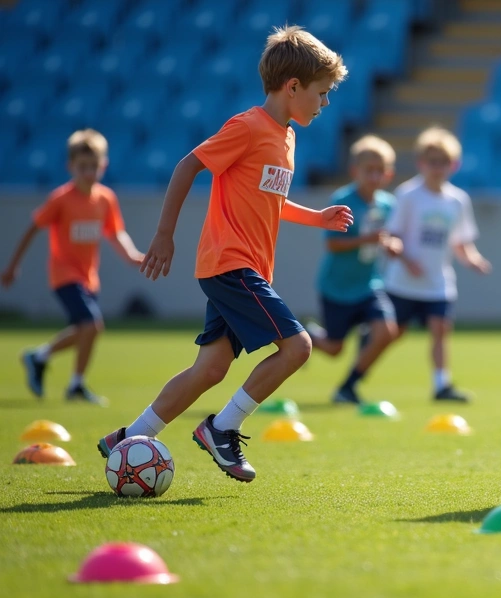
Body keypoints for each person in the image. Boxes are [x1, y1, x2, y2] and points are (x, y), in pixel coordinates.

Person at [96, 26, 352, 483]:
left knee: (211, 368)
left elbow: (271, 200)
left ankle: (128, 438)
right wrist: (163, 235)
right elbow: (187, 165)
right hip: (230, 263)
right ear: (293, 87)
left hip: (246, 268)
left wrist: (319, 217)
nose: (325, 102)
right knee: (298, 345)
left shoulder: (287, 137)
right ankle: (222, 427)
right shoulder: (248, 126)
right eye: (322, 92)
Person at [2, 128, 144, 405]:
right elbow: (33, 228)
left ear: (103, 165)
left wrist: (131, 254)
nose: (89, 172)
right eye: (83, 167)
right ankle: (69, 379)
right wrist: (12, 266)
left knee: (85, 329)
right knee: (92, 325)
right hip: (63, 274)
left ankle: (46, 362)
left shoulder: (105, 199)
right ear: (71, 166)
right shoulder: (61, 199)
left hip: (88, 276)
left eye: (94, 166)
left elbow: (115, 232)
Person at [383, 126, 491, 403]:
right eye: (432, 162)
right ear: (421, 163)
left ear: (453, 165)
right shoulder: (407, 195)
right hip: (403, 281)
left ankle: (441, 385)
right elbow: (392, 234)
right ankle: (356, 372)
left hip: (437, 282)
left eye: (444, 162)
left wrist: (474, 260)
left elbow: (461, 242)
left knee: (441, 329)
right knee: (391, 334)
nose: (438, 168)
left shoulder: (457, 200)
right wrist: (407, 260)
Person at [306, 135, 402, 404]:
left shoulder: (387, 205)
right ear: (354, 171)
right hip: (336, 287)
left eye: (379, 171)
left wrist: (393, 245)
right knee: (335, 348)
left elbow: (388, 236)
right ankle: (310, 335)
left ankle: (348, 387)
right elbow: (333, 244)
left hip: (369, 285)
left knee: (387, 331)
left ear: (388, 173)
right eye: (368, 170)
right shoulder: (343, 200)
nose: (374, 176)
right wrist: (367, 240)